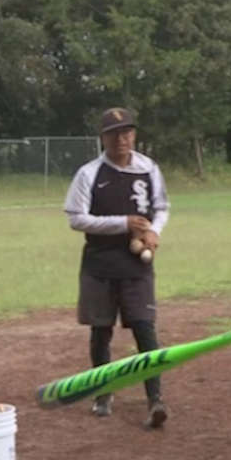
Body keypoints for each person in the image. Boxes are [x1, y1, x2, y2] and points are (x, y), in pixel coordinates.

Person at [63, 106, 170, 429]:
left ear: (134, 134)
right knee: (101, 331)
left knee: (144, 329)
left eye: (127, 132)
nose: (121, 139)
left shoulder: (148, 168)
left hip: (136, 264)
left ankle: (155, 399)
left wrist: (154, 231)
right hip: (100, 263)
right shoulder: (89, 173)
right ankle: (102, 393)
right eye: (114, 133)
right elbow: (76, 218)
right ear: (103, 138)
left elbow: (162, 207)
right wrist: (122, 223)